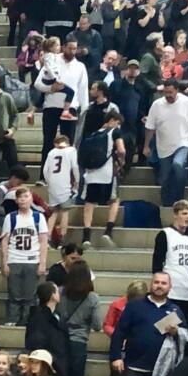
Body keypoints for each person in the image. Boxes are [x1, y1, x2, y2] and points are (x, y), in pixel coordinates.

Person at [145, 78, 188, 206]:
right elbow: (150, 127)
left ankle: (180, 198)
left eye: (170, 92)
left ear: (177, 91)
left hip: (183, 142)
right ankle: (168, 203)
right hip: (163, 147)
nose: (168, 95)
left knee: (178, 165)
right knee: (166, 178)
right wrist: (146, 146)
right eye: (165, 92)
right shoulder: (157, 105)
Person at [0, 187, 51, 326]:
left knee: (30, 296)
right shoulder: (10, 218)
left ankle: (28, 322)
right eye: (20, 197)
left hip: (32, 260)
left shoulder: (38, 217)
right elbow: (4, 242)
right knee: (14, 294)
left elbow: (43, 241)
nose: (23, 199)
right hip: (14, 259)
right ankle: (12, 321)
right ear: (16, 200)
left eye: (26, 196)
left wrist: (42, 263)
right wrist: (4, 263)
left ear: (31, 198)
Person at [80, 107, 126, 248]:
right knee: (114, 200)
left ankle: (86, 238)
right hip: (107, 173)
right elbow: (121, 150)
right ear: (112, 121)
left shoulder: (92, 134)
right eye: (117, 123)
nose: (118, 126)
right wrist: (121, 162)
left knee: (89, 203)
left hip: (91, 174)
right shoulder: (115, 132)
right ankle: (108, 232)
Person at [35, 39, 89, 158]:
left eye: (74, 49)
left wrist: (84, 109)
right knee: (48, 142)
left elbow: (83, 90)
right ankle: (44, 175)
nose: (72, 51)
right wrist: (50, 88)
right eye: (69, 48)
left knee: (68, 144)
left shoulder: (80, 66)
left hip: (70, 108)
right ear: (63, 47)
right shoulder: (52, 61)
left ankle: (67, 174)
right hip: (51, 106)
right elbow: (38, 84)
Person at [57, 262, 104, 376]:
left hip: (60, 338)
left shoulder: (60, 292)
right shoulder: (92, 298)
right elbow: (97, 325)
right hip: (79, 340)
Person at [152, 199, 188, 321]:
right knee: (167, 326)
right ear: (175, 215)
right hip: (171, 292)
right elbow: (157, 263)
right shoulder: (165, 234)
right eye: (184, 213)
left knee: (184, 329)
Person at [25, 281, 72, 376]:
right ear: (52, 296)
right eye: (57, 291)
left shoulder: (57, 315)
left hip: (59, 364)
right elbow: (37, 342)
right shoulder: (38, 317)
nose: (59, 293)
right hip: (48, 365)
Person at [42, 133, 78, 247]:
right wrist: (77, 181)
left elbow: (45, 170)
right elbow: (75, 167)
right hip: (65, 184)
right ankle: (62, 239)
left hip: (53, 184)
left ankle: (47, 238)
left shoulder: (51, 152)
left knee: (53, 212)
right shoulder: (71, 151)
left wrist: (49, 182)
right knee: (65, 212)